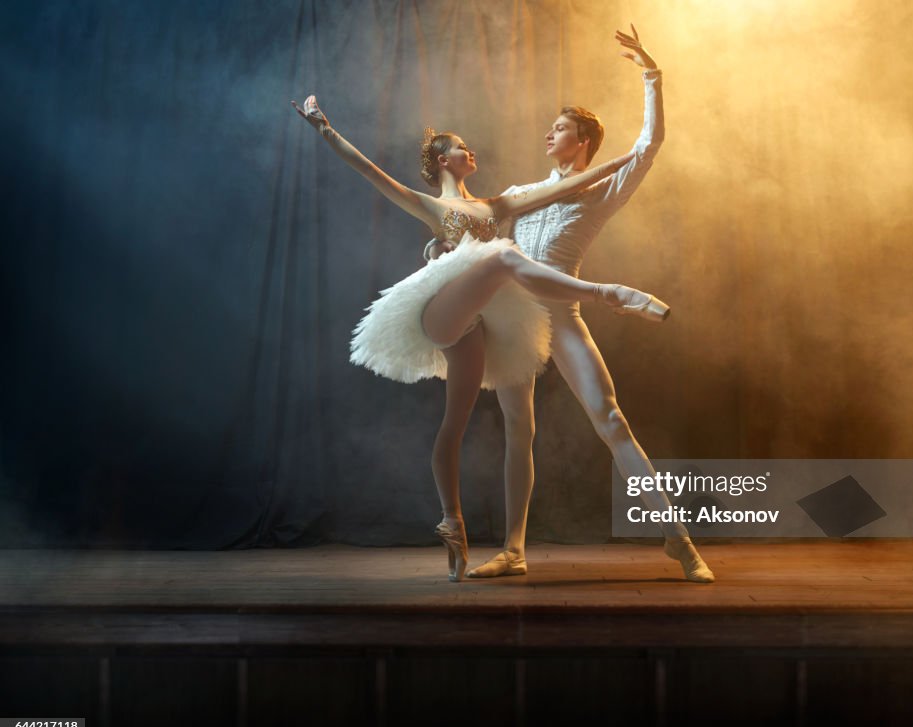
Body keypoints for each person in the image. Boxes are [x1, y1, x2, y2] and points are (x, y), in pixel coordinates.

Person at [291, 94, 670, 582]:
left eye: (559, 128)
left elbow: (574, 185)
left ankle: (456, 523)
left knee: (466, 423)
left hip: (505, 318)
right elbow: (369, 171)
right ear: (443, 160)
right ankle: (608, 293)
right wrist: (325, 129)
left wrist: (627, 154)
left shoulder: (500, 203)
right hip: (461, 311)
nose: (472, 152)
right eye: (462, 148)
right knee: (505, 262)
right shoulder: (446, 202)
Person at [424, 25, 715, 583]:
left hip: (562, 315)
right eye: (552, 127)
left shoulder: (601, 190)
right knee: (519, 431)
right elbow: (480, 242)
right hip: (512, 319)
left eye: (560, 129)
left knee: (610, 418)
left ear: (582, 141)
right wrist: (440, 249)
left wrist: (652, 75)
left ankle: (677, 539)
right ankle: (513, 549)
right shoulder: (527, 192)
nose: (549, 134)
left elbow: (647, 146)